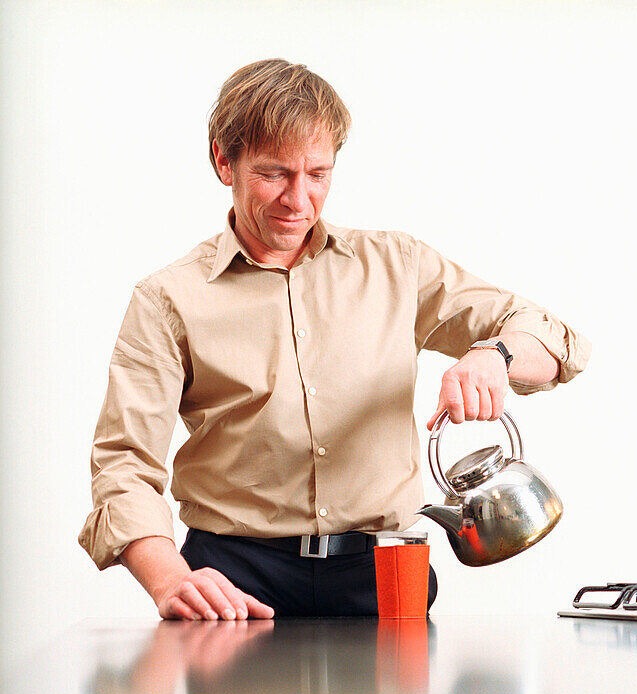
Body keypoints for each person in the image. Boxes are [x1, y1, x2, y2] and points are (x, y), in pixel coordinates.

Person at [79, 59, 591, 621]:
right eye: (274, 173)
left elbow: (553, 339)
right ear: (224, 162)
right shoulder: (167, 299)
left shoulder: (397, 265)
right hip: (235, 580)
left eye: (317, 174)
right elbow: (125, 464)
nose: (298, 200)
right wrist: (170, 580)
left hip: (385, 571)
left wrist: (495, 355)